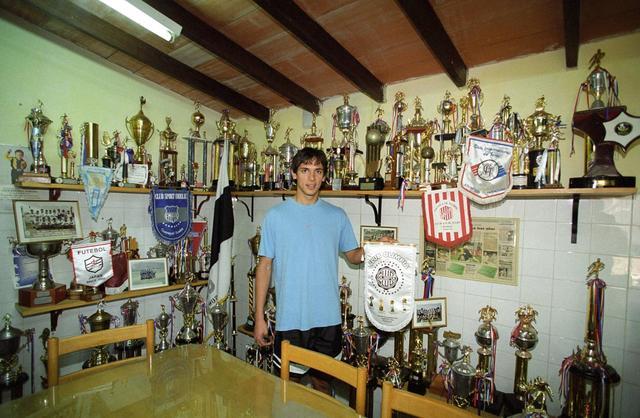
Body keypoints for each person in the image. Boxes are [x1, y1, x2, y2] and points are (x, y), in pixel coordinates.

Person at [253, 147, 363, 393]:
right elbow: (264, 266)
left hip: (328, 319)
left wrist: (377, 249)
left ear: (324, 176)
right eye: (305, 170)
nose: (311, 178)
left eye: (317, 171)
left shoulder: (337, 216)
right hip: (291, 319)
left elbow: (354, 256)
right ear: (294, 174)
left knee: (323, 386)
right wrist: (259, 317)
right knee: (288, 389)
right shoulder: (275, 216)